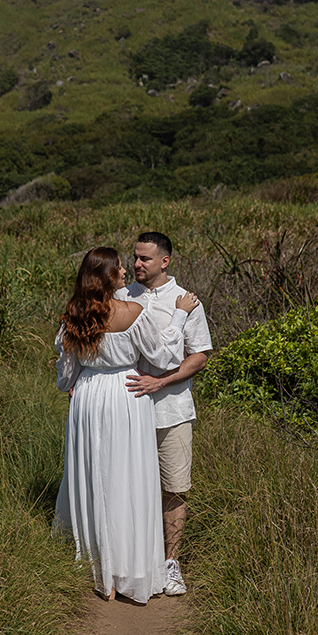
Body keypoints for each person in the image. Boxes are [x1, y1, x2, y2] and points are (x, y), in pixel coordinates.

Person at [53, 247, 199, 604]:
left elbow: (65, 377)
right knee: (126, 478)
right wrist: (179, 316)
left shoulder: (74, 316)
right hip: (126, 394)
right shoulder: (133, 312)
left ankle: (97, 565)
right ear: (107, 277)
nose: (125, 271)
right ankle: (127, 566)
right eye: (119, 267)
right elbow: (163, 356)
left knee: (93, 476)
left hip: (88, 397)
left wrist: (82, 380)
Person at [122, 231, 213, 596]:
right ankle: (133, 561)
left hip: (172, 410)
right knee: (128, 485)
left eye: (144, 258)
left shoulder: (185, 300)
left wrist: (161, 382)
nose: (136, 264)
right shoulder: (123, 296)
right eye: (135, 257)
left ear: (164, 261)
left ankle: (171, 563)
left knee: (174, 487)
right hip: (128, 408)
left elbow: (200, 355)